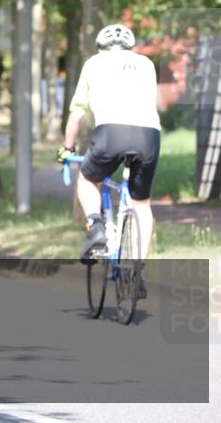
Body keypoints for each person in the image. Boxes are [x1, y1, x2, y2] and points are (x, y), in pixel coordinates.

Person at [56, 24, 160, 297]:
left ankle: (97, 229)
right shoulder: (147, 64)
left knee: (87, 179)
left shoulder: (93, 63)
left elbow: (77, 114)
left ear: (101, 47)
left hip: (110, 133)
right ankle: (138, 269)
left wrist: (67, 149)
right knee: (141, 203)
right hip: (149, 135)